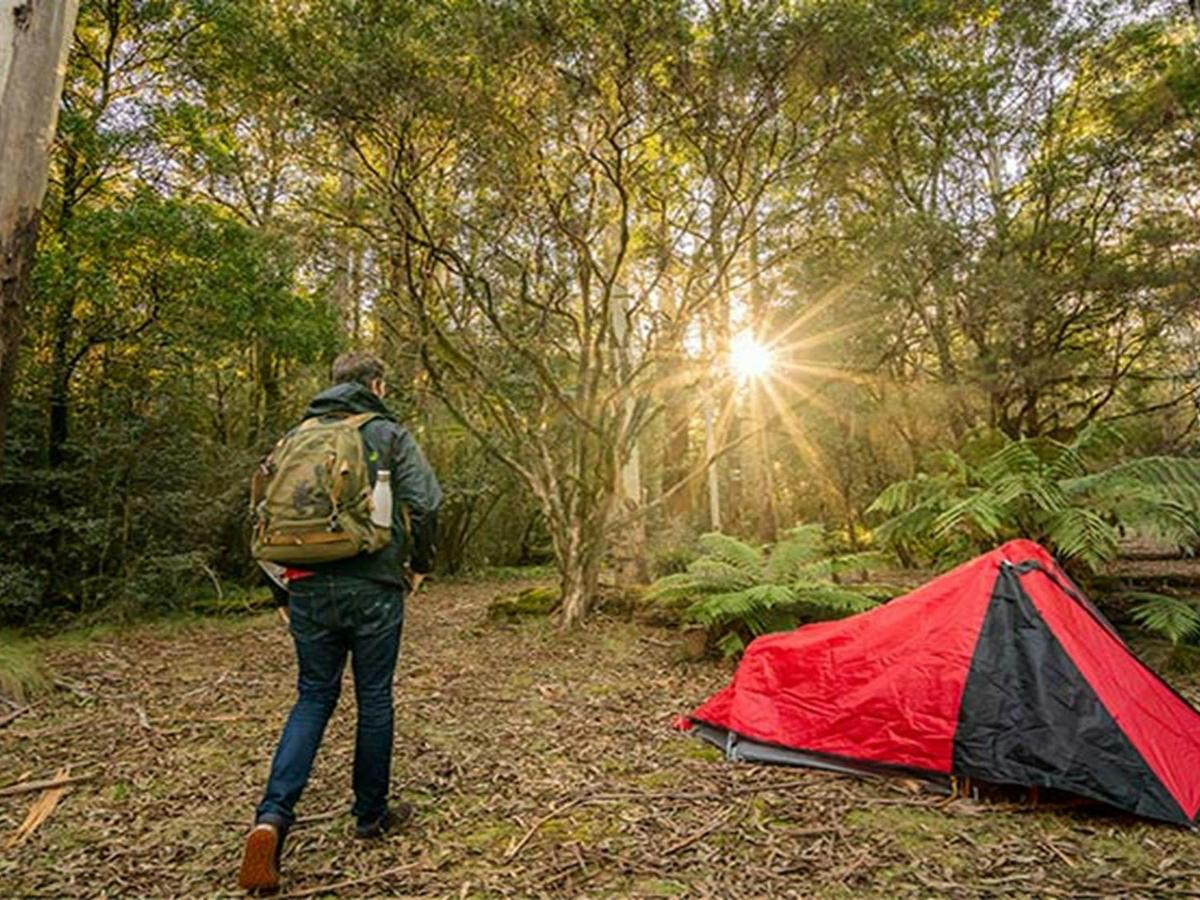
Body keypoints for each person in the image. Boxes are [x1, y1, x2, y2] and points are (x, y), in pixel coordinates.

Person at [238, 351, 442, 892]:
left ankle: (271, 818)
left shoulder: (294, 436)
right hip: (373, 583)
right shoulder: (387, 433)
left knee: (312, 696)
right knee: (373, 697)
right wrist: (418, 565)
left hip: (306, 585)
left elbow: (261, 516)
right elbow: (426, 502)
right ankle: (370, 816)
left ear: (332, 385)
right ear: (376, 383)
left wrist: (277, 591)